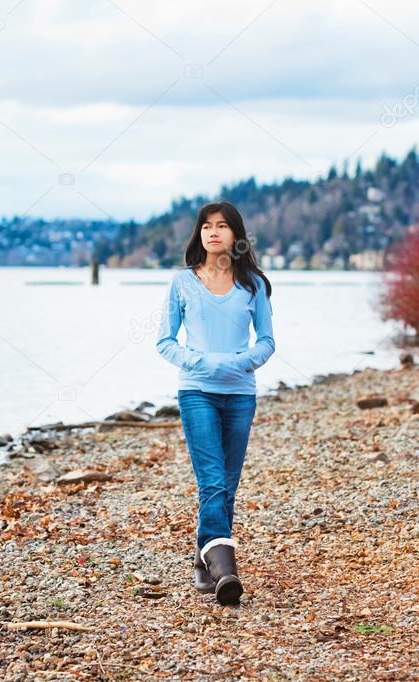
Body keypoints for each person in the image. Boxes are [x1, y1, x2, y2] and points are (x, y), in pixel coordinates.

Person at [154, 200, 275, 605]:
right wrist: (202, 362)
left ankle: (204, 560)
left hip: (240, 394)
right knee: (212, 481)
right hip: (196, 391)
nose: (213, 232)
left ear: (236, 236)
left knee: (227, 484)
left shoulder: (253, 285)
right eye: (207, 226)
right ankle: (226, 572)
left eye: (222, 226)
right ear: (199, 234)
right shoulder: (182, 283)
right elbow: (165, 342)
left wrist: (240, 363)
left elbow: (268, 342)